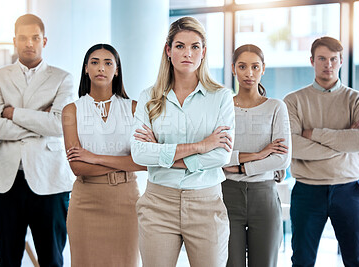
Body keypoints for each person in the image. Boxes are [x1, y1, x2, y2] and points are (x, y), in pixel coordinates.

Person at [130, 16, 235, 267]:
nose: (187, 53)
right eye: (180, 46)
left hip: (206, 204)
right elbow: (139, 153)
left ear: (204, 52)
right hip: (158, 203)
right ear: (168, 50)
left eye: (195, 46)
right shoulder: (149, 97)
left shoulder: (221, 97)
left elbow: (221, 156)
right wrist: (200, 146)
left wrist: (162, 154)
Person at [0, 14, 75, 266]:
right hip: (5, 183)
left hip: (49, 182)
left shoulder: (62, 78)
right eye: (23, 38)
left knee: (52, 259)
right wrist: (38, 123)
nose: (29, 43)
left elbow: (58, 125)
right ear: (14, 41)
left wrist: (14, 114)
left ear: (44, 40)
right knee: (8, 260)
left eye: (35, 38)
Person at [284, 36, 359, 267]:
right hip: (307, 191)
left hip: (348, 190)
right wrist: (343, 144)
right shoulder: (293, 101)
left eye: (333, 59)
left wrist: (313, 133)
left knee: (356, 260)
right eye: (322, 59)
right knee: (302, 261)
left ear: (342, 60)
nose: (328, 64)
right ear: (312, 61)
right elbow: (292, 145)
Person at [62, 44, 146, 267]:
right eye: (95, 62)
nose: (101, 68)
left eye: (108, 63)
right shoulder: (72, 110)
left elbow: (146, 162)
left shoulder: (134, 109)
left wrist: (95, 157)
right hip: (85, 201)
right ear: (86, 69)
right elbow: (78, 167)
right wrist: (126, 163)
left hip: (126, 201)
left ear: (117, 70)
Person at [222, 44, 291, 267]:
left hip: (264, 195)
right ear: (233, 69)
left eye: (255, 66)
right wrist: (259, 154)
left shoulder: (276, 107)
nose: (249, 73)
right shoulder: (223, 108)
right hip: (227, 194)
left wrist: (242, 167)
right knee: (231, 263)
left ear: (263, 69)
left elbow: (282, 158)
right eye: (242, 66)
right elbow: (216, 154)